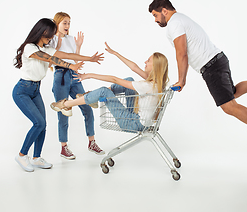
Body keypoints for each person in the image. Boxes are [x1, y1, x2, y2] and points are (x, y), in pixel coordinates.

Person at [148, 0, 247, 158]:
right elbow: (184, 52)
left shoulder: (174, 24)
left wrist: (182, 80)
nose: (155, 20)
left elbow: (182, 53)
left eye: (155, 15)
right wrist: (183, 78)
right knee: (232, 93)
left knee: (229, 106)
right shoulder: (181, 19)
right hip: (218, 59)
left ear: (164, 10)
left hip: (211, 67)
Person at [13, 18, 104, 172]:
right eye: (50, 34)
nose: (51, 38)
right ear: (43, 32)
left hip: (35, 90)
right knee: (39, 123)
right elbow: (50, 59)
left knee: (43, 125)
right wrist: (70, 65)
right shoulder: (29, 47)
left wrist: (90, 59)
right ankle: (22, 155)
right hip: (23, 90)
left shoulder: (46, 48)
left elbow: (67, 54)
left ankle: (36, 158)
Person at [50, 42, 169, 132]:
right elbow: (134, 67)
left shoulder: (147, 86)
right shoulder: (158, 83)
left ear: (154, 67)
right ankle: (90, 97)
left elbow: (114, 79)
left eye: (148, 61)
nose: (145, 62)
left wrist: (89, 75)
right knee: (129, 81)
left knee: (103, 92)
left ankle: (66, 105)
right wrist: (115, 53)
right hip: (138, 119)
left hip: (133, 123)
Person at [50, 12, 104, 159]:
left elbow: (74, 57)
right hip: (61, 75)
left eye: (69, 23)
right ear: (57, 23)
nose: (67, 26)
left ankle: (92, 142)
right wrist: (59, 38)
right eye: (64, 23)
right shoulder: (52, 39)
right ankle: (64, 147)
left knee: (87, 106)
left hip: (73, 76)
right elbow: (55, 57)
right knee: (63, 111)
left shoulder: (71, 39)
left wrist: (78, 46)